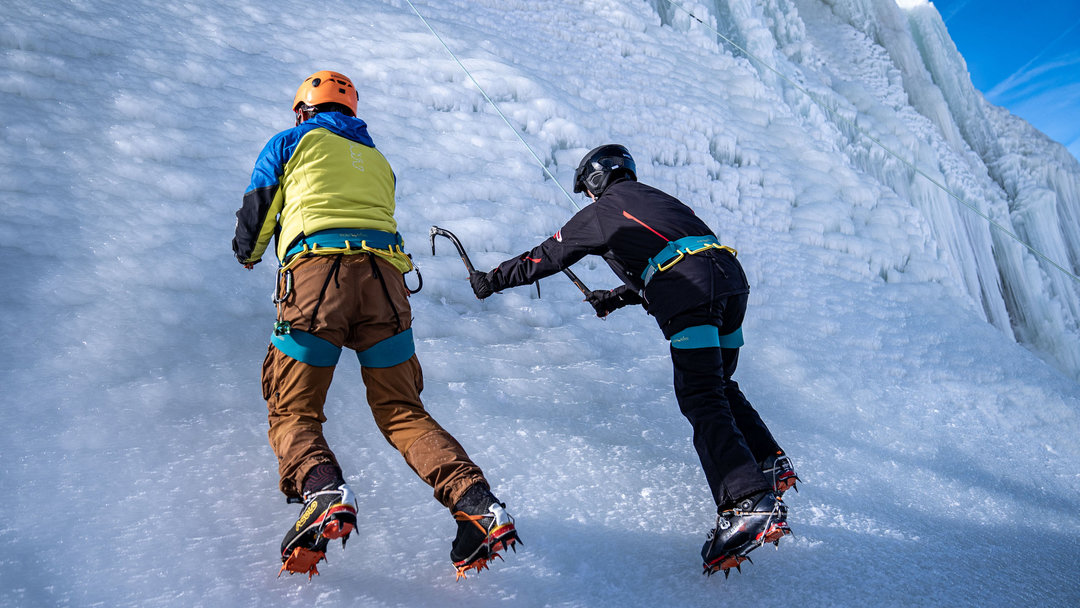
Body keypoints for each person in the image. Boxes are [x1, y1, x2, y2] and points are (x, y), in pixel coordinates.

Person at [233, 70, 518, 580]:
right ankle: (477, 502)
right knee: (402, 409)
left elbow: (259, 210)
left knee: (293, 408)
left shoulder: (290, 141)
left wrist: (247, 253)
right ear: (352, 112)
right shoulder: (378, 160)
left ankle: (323, 490)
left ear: (304, 109)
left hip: (318, 281)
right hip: (386, 286)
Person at [468, 144, 797, 576]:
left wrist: (491, 280)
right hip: (730, 283)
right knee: (719, 384)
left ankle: (747, 501)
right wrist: (617, 297)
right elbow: (675, 252)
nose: (588, 198)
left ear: (595, 181)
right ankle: (768, 462)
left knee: (701, 397)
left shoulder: (603, 210)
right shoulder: (658, 199)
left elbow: (546, 256)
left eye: (587, 189)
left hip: (689, 292)